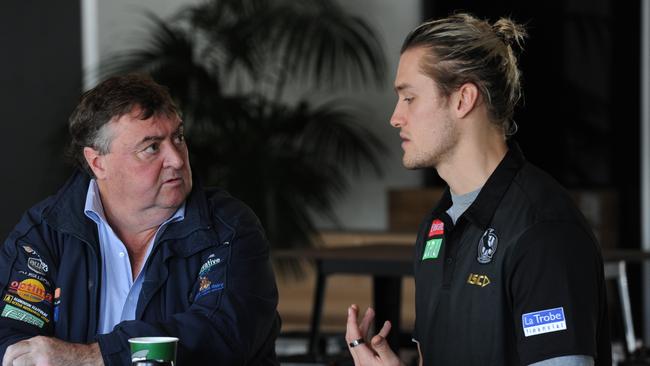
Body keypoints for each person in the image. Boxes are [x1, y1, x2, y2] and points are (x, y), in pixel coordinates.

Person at [345, 13, 611, 366]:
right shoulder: (436, 227)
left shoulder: (543, 231)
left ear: (463, 99)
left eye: (409, 98)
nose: (395, 117)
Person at [0, 74, 280, 365]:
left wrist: (97, 358)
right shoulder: (45, 232)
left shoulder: (228, 227)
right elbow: (11, 332)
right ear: (98, 163)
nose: (177, 159)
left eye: (178, 138)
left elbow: (223, 334)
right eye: (152, 147)